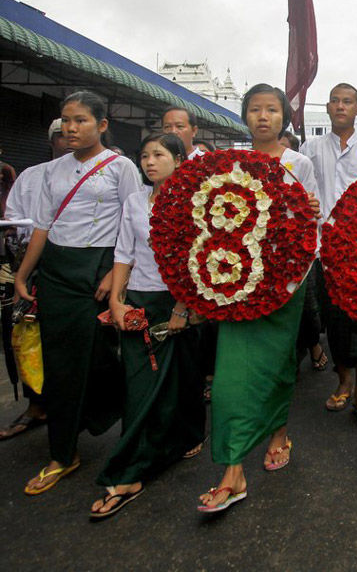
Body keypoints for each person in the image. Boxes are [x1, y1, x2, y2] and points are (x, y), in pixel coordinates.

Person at [197, 83, 320, 512]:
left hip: (284, 279)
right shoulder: (228, 162)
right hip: (234, 279)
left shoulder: (298, 163)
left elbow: (307, 223)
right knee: (230, 375)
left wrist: (308, 220)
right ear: (244, 116)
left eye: (271, 110)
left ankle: (279, 432)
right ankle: (232, 471)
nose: (263, 117)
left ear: (284, 117)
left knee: (279, 364)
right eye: (254, 109)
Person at [14, 91, 143, 495]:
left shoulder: (121, 168)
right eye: (66, 120)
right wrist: (24, 274)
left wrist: (113, 277)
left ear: (102, 125)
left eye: (81, 120)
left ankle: (128, 428)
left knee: (101, 358)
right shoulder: (52, 171)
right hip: (55, 273)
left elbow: (132, 224)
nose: (70, 128)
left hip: (97, 272)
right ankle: (62, 452)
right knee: (59, 362)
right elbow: (43, 225)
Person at [89, 133, 206, 519]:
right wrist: (117, 300)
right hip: (139, 299)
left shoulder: (194, 201)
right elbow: (125, 251)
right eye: (144, 156)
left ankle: (184, 436)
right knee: (141, 385)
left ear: (178, 159)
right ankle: (129, 470)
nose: (149, 162)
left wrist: (181, 307)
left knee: (181, 376)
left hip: (176, 301)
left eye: (159, 155)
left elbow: (197, 257)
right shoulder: (136, 201)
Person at [300, 83, 357, 421]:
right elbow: (300, 191)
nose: (340, 106)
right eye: (334, 101)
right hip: (325, 251)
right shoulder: (311, 148)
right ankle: (343, 381)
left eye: (348, 101)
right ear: (328, 107)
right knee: (334, 321)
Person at [0, 120, 71, 441]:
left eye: (76, 126)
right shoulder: (30, 177)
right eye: (60, 132)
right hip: (31, 266)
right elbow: (14, 220)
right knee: (24, 334)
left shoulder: (101, 174)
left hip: (73, 268)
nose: (68, 136)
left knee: (67, 340)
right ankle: (36, 404)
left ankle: (71, 406)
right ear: (51, 140)